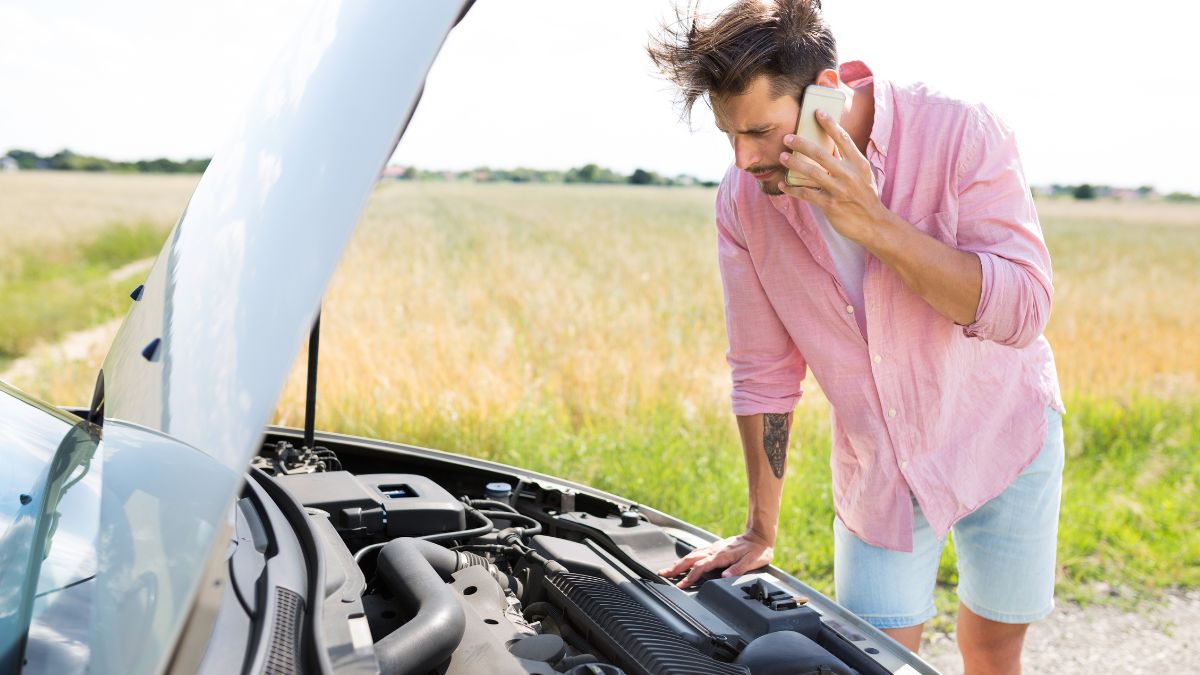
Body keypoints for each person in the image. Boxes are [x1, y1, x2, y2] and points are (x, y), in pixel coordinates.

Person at [648, 1, 1065, 673]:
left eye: (761, 131)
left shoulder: (961, 129)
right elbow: (763, 370)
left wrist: (874, 223)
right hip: (880, 467)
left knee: (990, 649)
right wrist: (760, 527)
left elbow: (1022, 311)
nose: (745, 159)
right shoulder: (743, 199)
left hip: (1003, 435)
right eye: (730, 135)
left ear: (827, 94)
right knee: (877, 661)